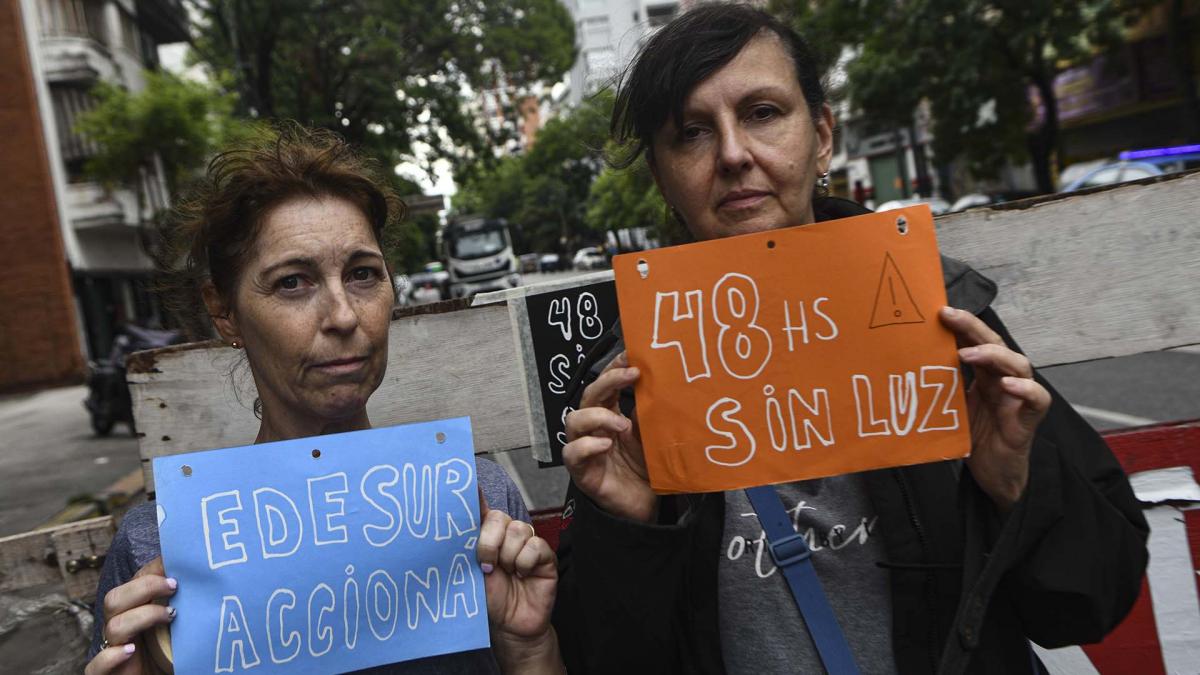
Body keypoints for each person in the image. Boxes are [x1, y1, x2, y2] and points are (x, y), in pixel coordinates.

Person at [552, 5, 1148, 674]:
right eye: (691, 132)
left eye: (762, 112)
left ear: (824, 135)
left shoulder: (942, 322)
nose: (732, 153)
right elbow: (601, 658)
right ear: (662, 176)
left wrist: (1016, 482)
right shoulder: (625, 386)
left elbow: (1095, 598)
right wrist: (627, 529)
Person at [85, 126, 564, 675]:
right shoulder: (155, 550)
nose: (342, 316)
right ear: (223, 311)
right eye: (293, 282)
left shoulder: (479, 504)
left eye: (363, 274)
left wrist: (529, 648)